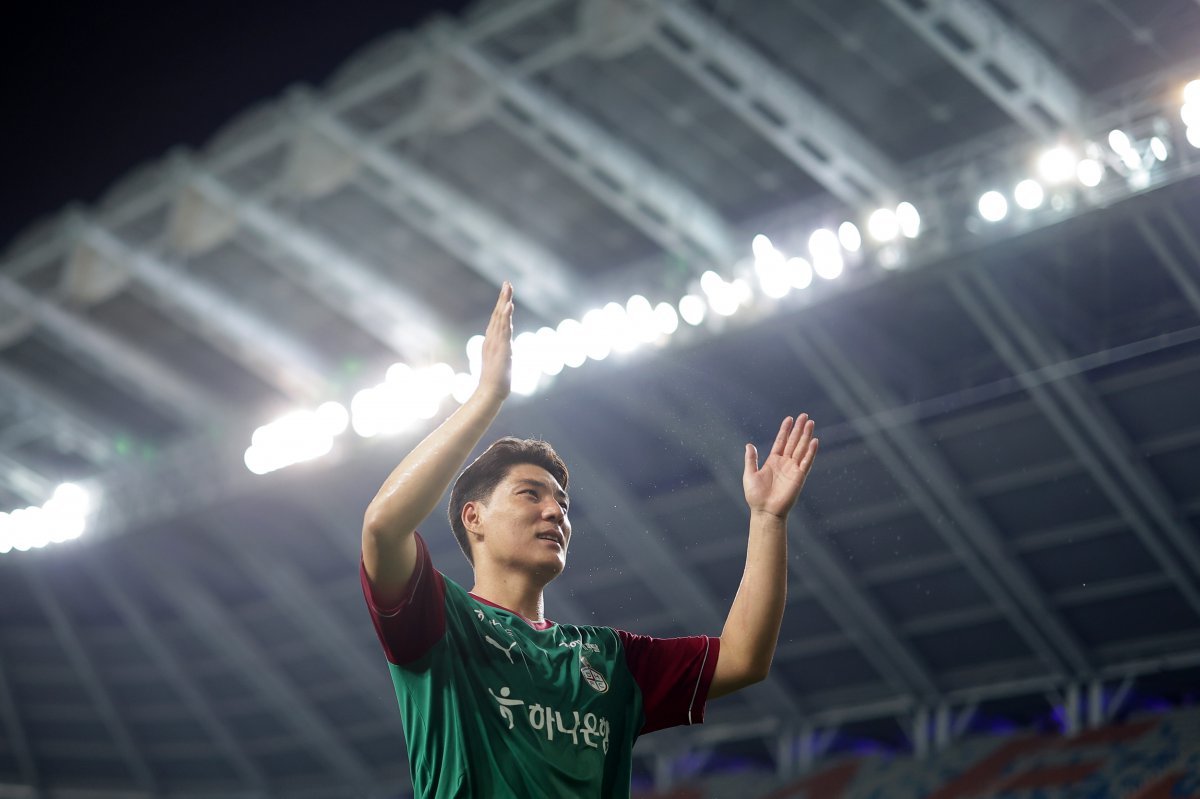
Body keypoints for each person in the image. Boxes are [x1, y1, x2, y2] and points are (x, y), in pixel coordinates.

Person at [360, 282, 819, 797]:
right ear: (474, 517)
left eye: (562, 503)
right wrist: (487, 398)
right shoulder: (441, 621)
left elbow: (742, 658)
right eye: (530, 494)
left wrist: (768, 518)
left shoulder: (607, 658)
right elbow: (383, 526)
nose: (554, 511)